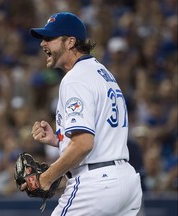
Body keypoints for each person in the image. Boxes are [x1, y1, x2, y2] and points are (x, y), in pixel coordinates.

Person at [29, 12, 143, 216]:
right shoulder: (102, 72)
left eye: (49, 38)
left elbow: (83, 144)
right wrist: (59, 140)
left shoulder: (75, 78)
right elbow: (99, 134)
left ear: (70, 42)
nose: (42, 44)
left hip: (97, 185)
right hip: (126, 182)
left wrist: (47, 178)